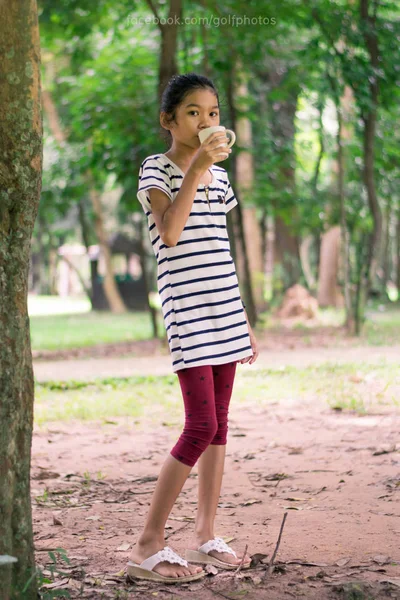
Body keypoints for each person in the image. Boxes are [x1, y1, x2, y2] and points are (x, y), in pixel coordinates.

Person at [128, 73, 259, 584]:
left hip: (224, 309)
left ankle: (205, 535)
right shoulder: (155, 171)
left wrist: (243, 316)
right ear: (168, 120)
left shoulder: (221, 178)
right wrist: (195, 169)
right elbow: (172, 232)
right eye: (193, 113)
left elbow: (220, 249)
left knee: (220, 424)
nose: (206, 122)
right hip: (187, 310)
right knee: (199, 425)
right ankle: (147, 544)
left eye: (213, 113)